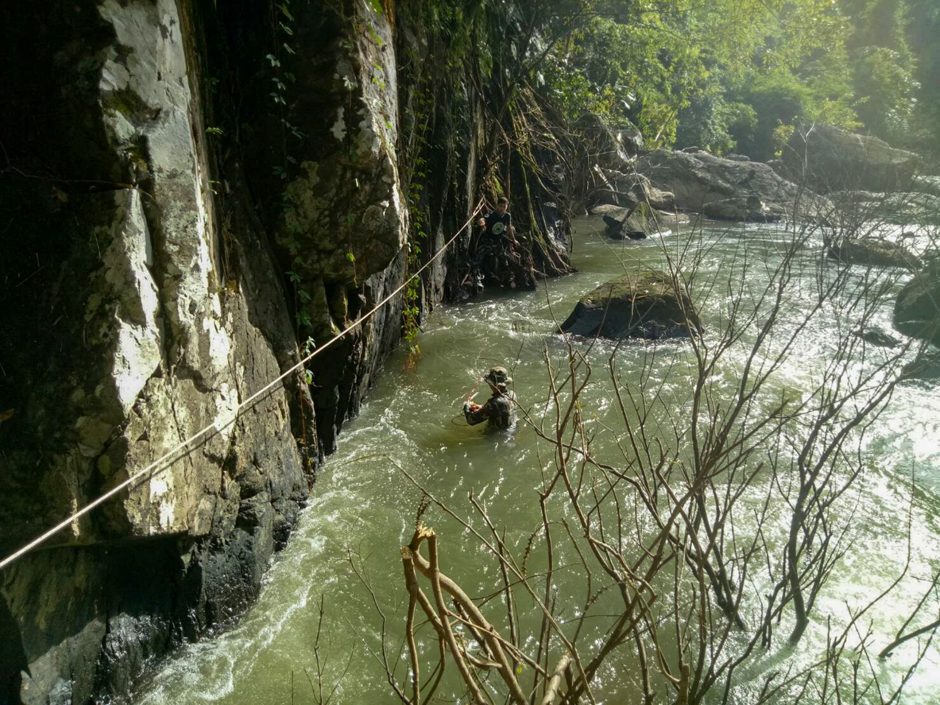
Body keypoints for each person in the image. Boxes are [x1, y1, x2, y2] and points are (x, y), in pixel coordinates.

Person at [473, 197, 518, 286]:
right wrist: (481, 222)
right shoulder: (491, 215)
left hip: (498, 242)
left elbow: (509, 228)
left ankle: (508, 278)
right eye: (500, 206)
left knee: (503, 259)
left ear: (506, 207)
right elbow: (484, 219)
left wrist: (514, 240)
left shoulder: (507, 216)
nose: (502, 208)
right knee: (478, 259)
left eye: (504, 207)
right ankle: (476, 278)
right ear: (497, 205)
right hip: (488, 241)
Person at [463, 366, 516, 431]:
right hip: (512, 430)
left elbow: (471, 420)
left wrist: (466, 406)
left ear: (495, 385)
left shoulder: (494, 403)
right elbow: (502, 409)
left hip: (497, 436)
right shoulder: (512, 394)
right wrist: (482, 407)